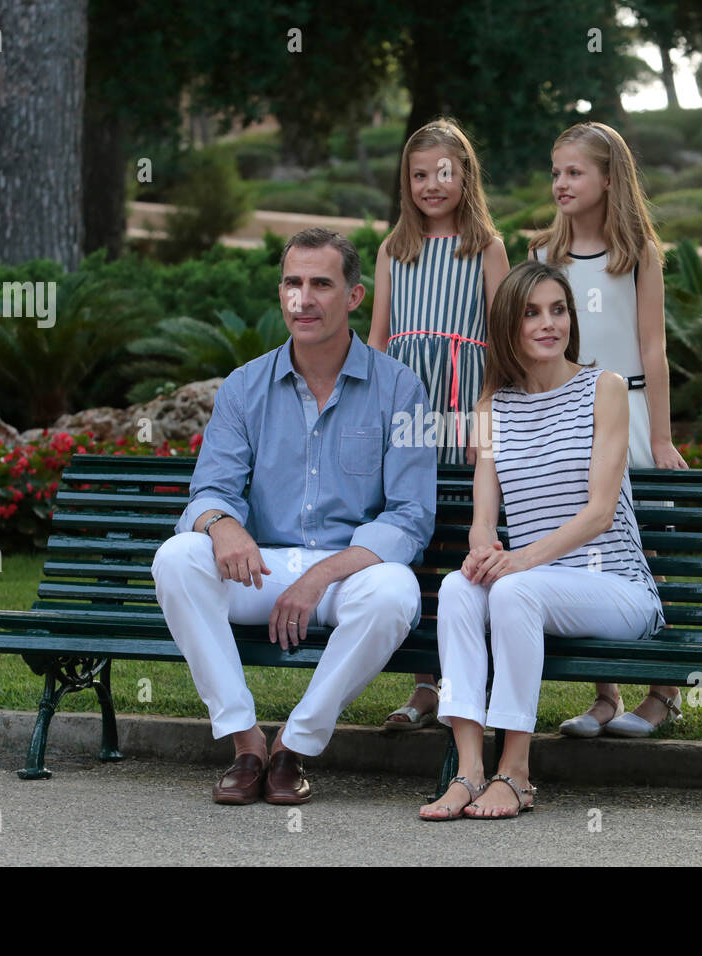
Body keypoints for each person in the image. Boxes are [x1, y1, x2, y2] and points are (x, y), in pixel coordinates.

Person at [152, 227, 436, 806]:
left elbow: (411, 517)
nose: (302, 300)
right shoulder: (243, 386)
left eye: (321, 285)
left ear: (354, 297)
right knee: (177, 558)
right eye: (292, 283)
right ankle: (246, 742)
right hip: (261, 572)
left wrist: (320, 576)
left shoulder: (402, 387)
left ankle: (293, 748)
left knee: (394, 594)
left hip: (344, 577)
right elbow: (210, 488)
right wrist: (222, 524)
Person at [418, 261, 665, 820]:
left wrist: (517, 563)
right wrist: (484, 550)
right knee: (459, 590)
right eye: (531, 313)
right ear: (509, 325)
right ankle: (468, 770)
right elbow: (485, 518)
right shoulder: (491, 407)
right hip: (535, 582)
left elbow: (601, 513)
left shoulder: (606, 389)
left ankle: (518, 771)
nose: (548, 323)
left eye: (558, 310)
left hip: (615, 587)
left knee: (511, 592)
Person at [529, 121, 688, 739]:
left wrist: (665, 437)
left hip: (636, 418)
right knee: (584, 550)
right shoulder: (544, 257)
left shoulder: (638, 256)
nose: (560, 183)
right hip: (570, 421)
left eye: (574, 172)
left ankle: (663, 692)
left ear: (608, 179)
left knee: (651, 552)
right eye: (555, 171)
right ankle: (606, 694)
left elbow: (654, 349)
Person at [369, 118, 510, 732]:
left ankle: (469, 680)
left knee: (464, 538)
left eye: (443, 173)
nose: (431, 184)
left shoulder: (485, 248)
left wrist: (488, 415)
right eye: (419, 174)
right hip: (408, 412)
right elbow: (376, 341)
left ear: (465, 175)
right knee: (415, 541)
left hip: (467, 410)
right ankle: (424, 684)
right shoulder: (393, 250)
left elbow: (503, 340)